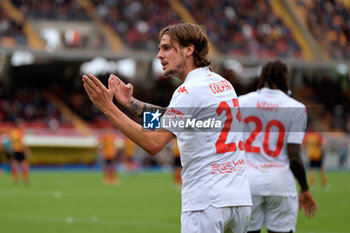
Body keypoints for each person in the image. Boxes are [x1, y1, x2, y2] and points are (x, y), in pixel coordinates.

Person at [83, 22, 252, 233]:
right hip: (240, 201)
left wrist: (108, 109)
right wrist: (130, 104)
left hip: (207, 203)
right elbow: (173, 119)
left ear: (189, 49)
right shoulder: (223, 84)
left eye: (166, 48)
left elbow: (153, 143)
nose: (159, 55)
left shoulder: (189, 90)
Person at [238, 60, 317, 233]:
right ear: (284, 78)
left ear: (263, 77)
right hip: (280, 182)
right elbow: (294, 156)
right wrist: (305, 187)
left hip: (247, 181)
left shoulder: (241, 102)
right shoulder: (296, 107)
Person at [303, 123, 328, 189]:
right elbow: (323, 144)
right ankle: (324, 184)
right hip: (317, 155)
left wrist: (304, 152)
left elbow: (303, 144)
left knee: (311, 169)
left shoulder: (307, 136)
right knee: (321, 169)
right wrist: (323, 150)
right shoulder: (318, 135)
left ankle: (313, 184)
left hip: (310, 155)